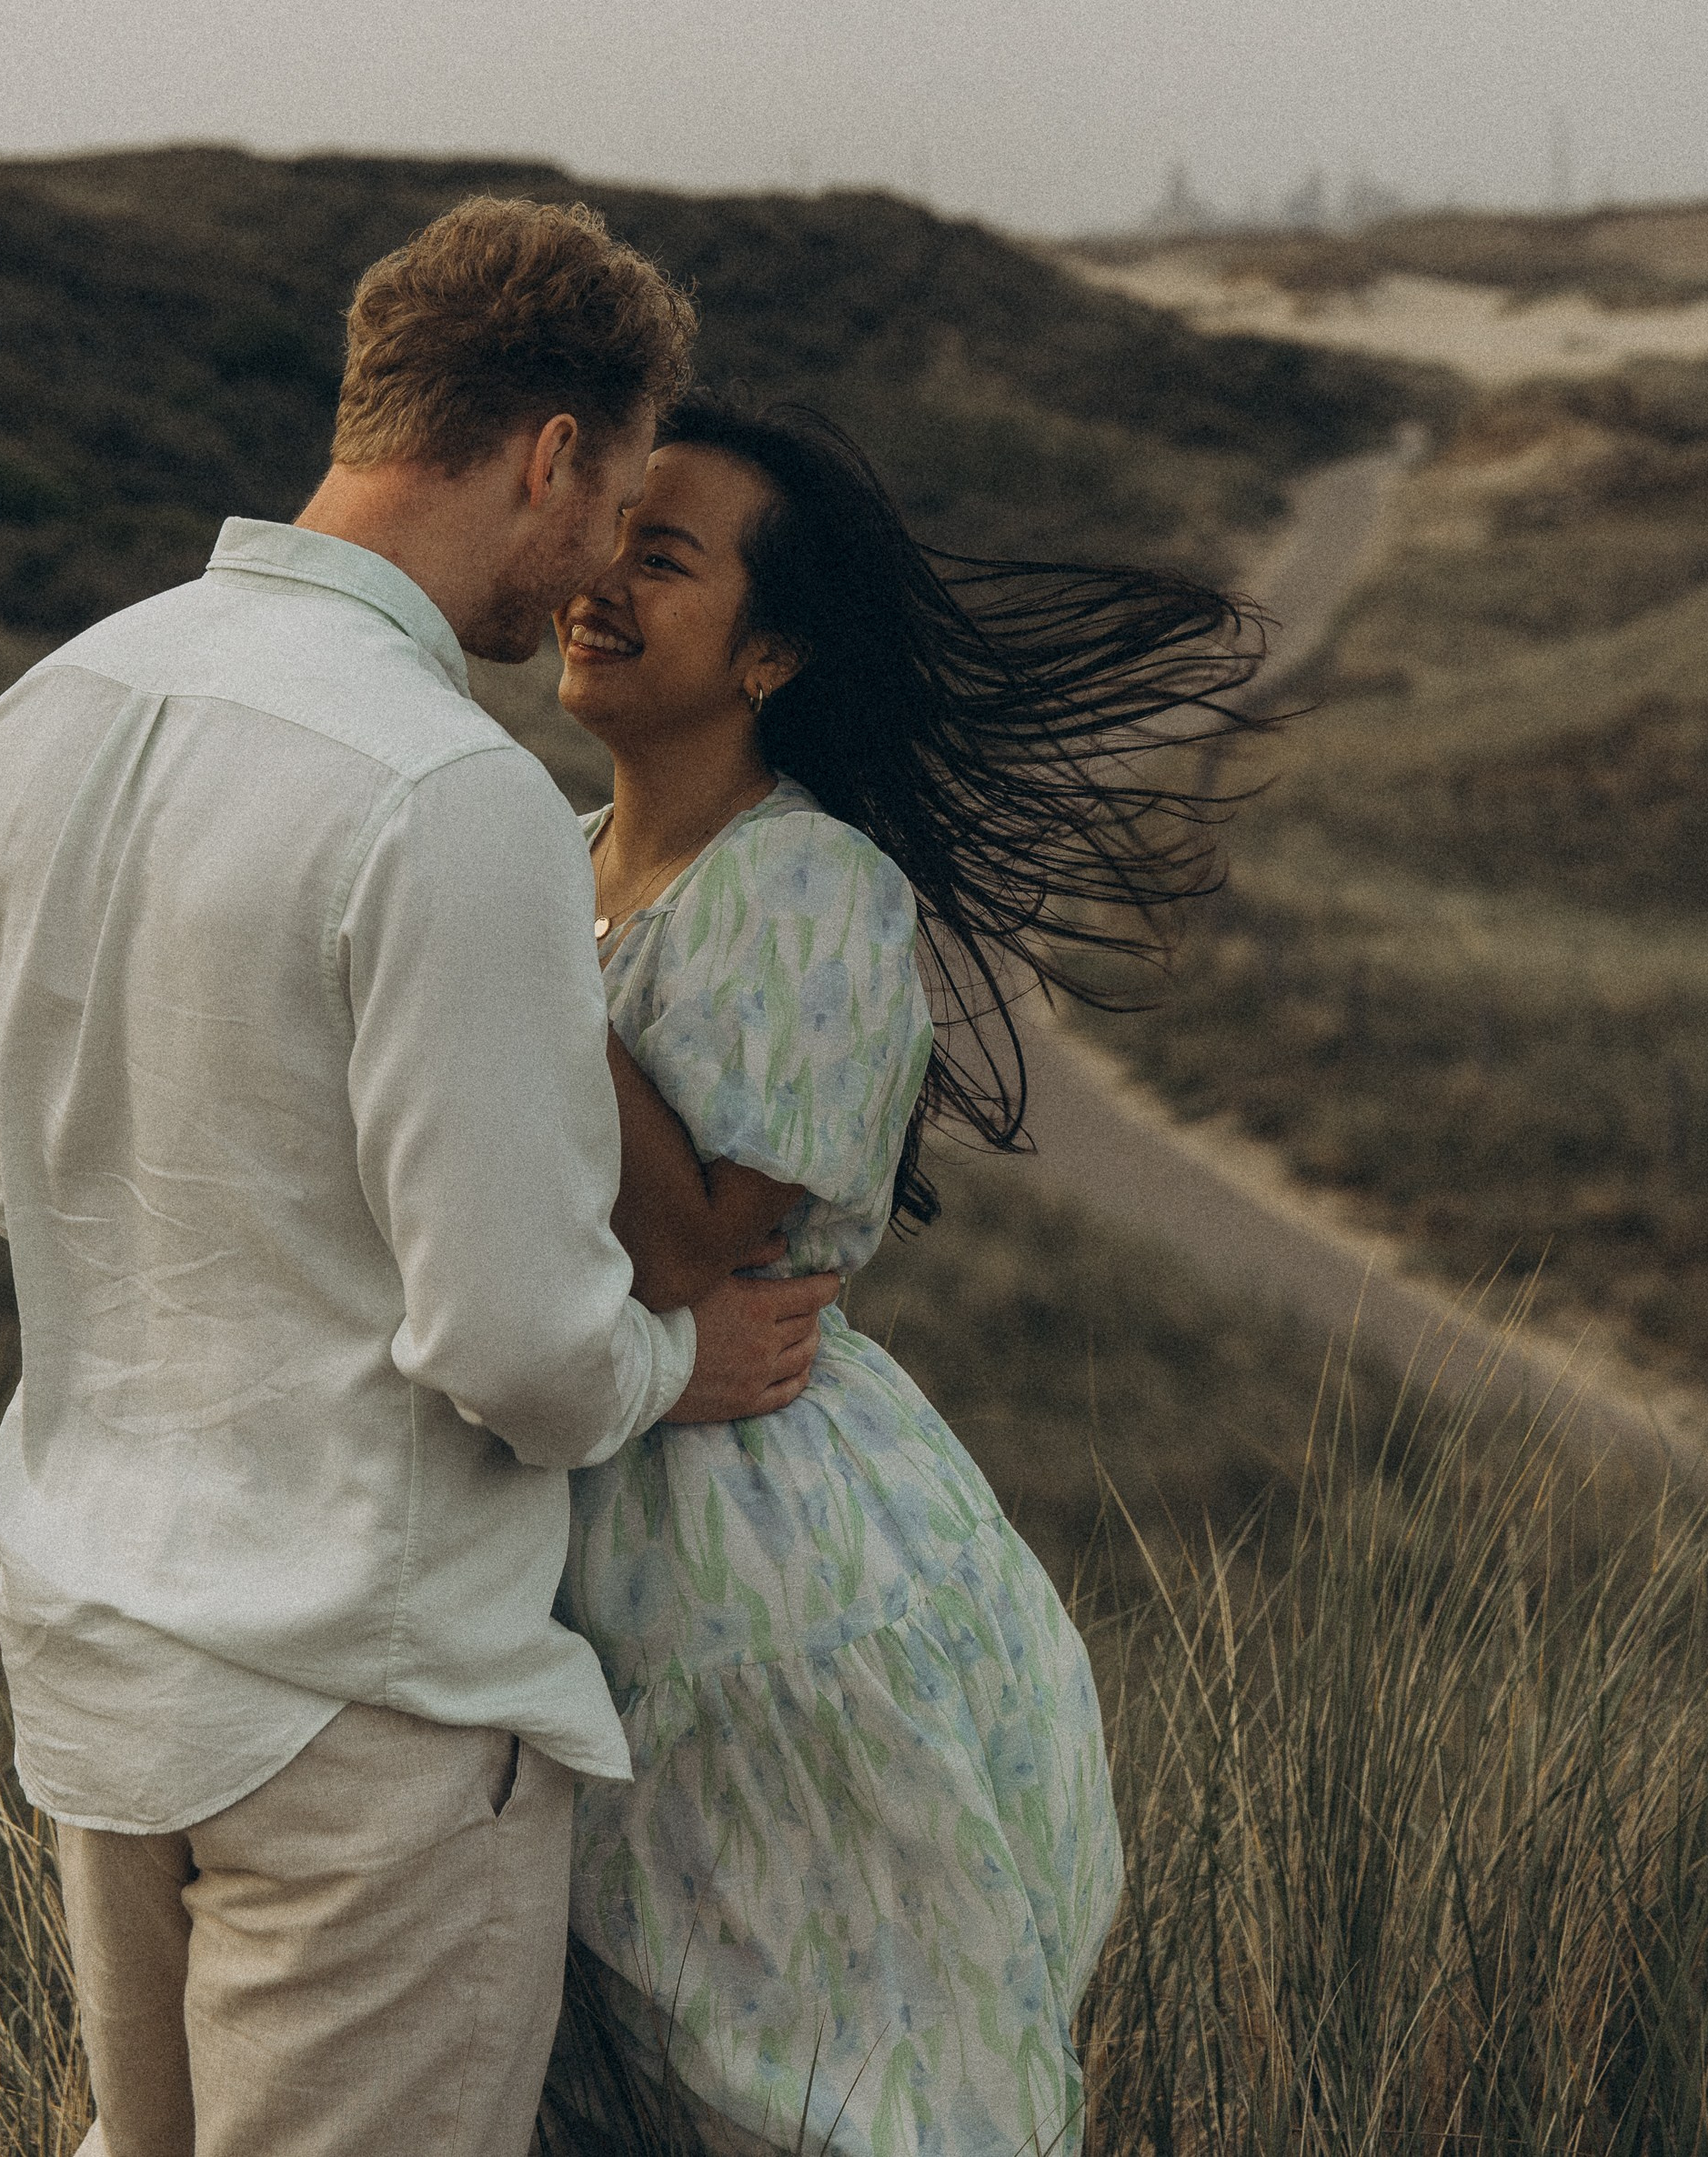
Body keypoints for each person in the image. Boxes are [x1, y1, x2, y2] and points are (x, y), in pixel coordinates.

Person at [0, 201, 839, 2157]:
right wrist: (682, 1360)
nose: (607, 555)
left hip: (101, 1664)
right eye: (610, 499)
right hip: (365, 1705)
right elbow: (513, 1342)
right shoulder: (450, 795)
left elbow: (14, 1185)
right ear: (547, 456)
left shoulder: (46, 710)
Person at [543, 399, 1254, 2157]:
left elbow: (690, 1239)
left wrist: (499, 971)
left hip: (755, 1557)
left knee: (814, 2080)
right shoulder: (551, 866)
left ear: (771, 648)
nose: (600, 584)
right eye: (604, 534)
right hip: (576, 1505)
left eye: (665, 556)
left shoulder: (805, 889)